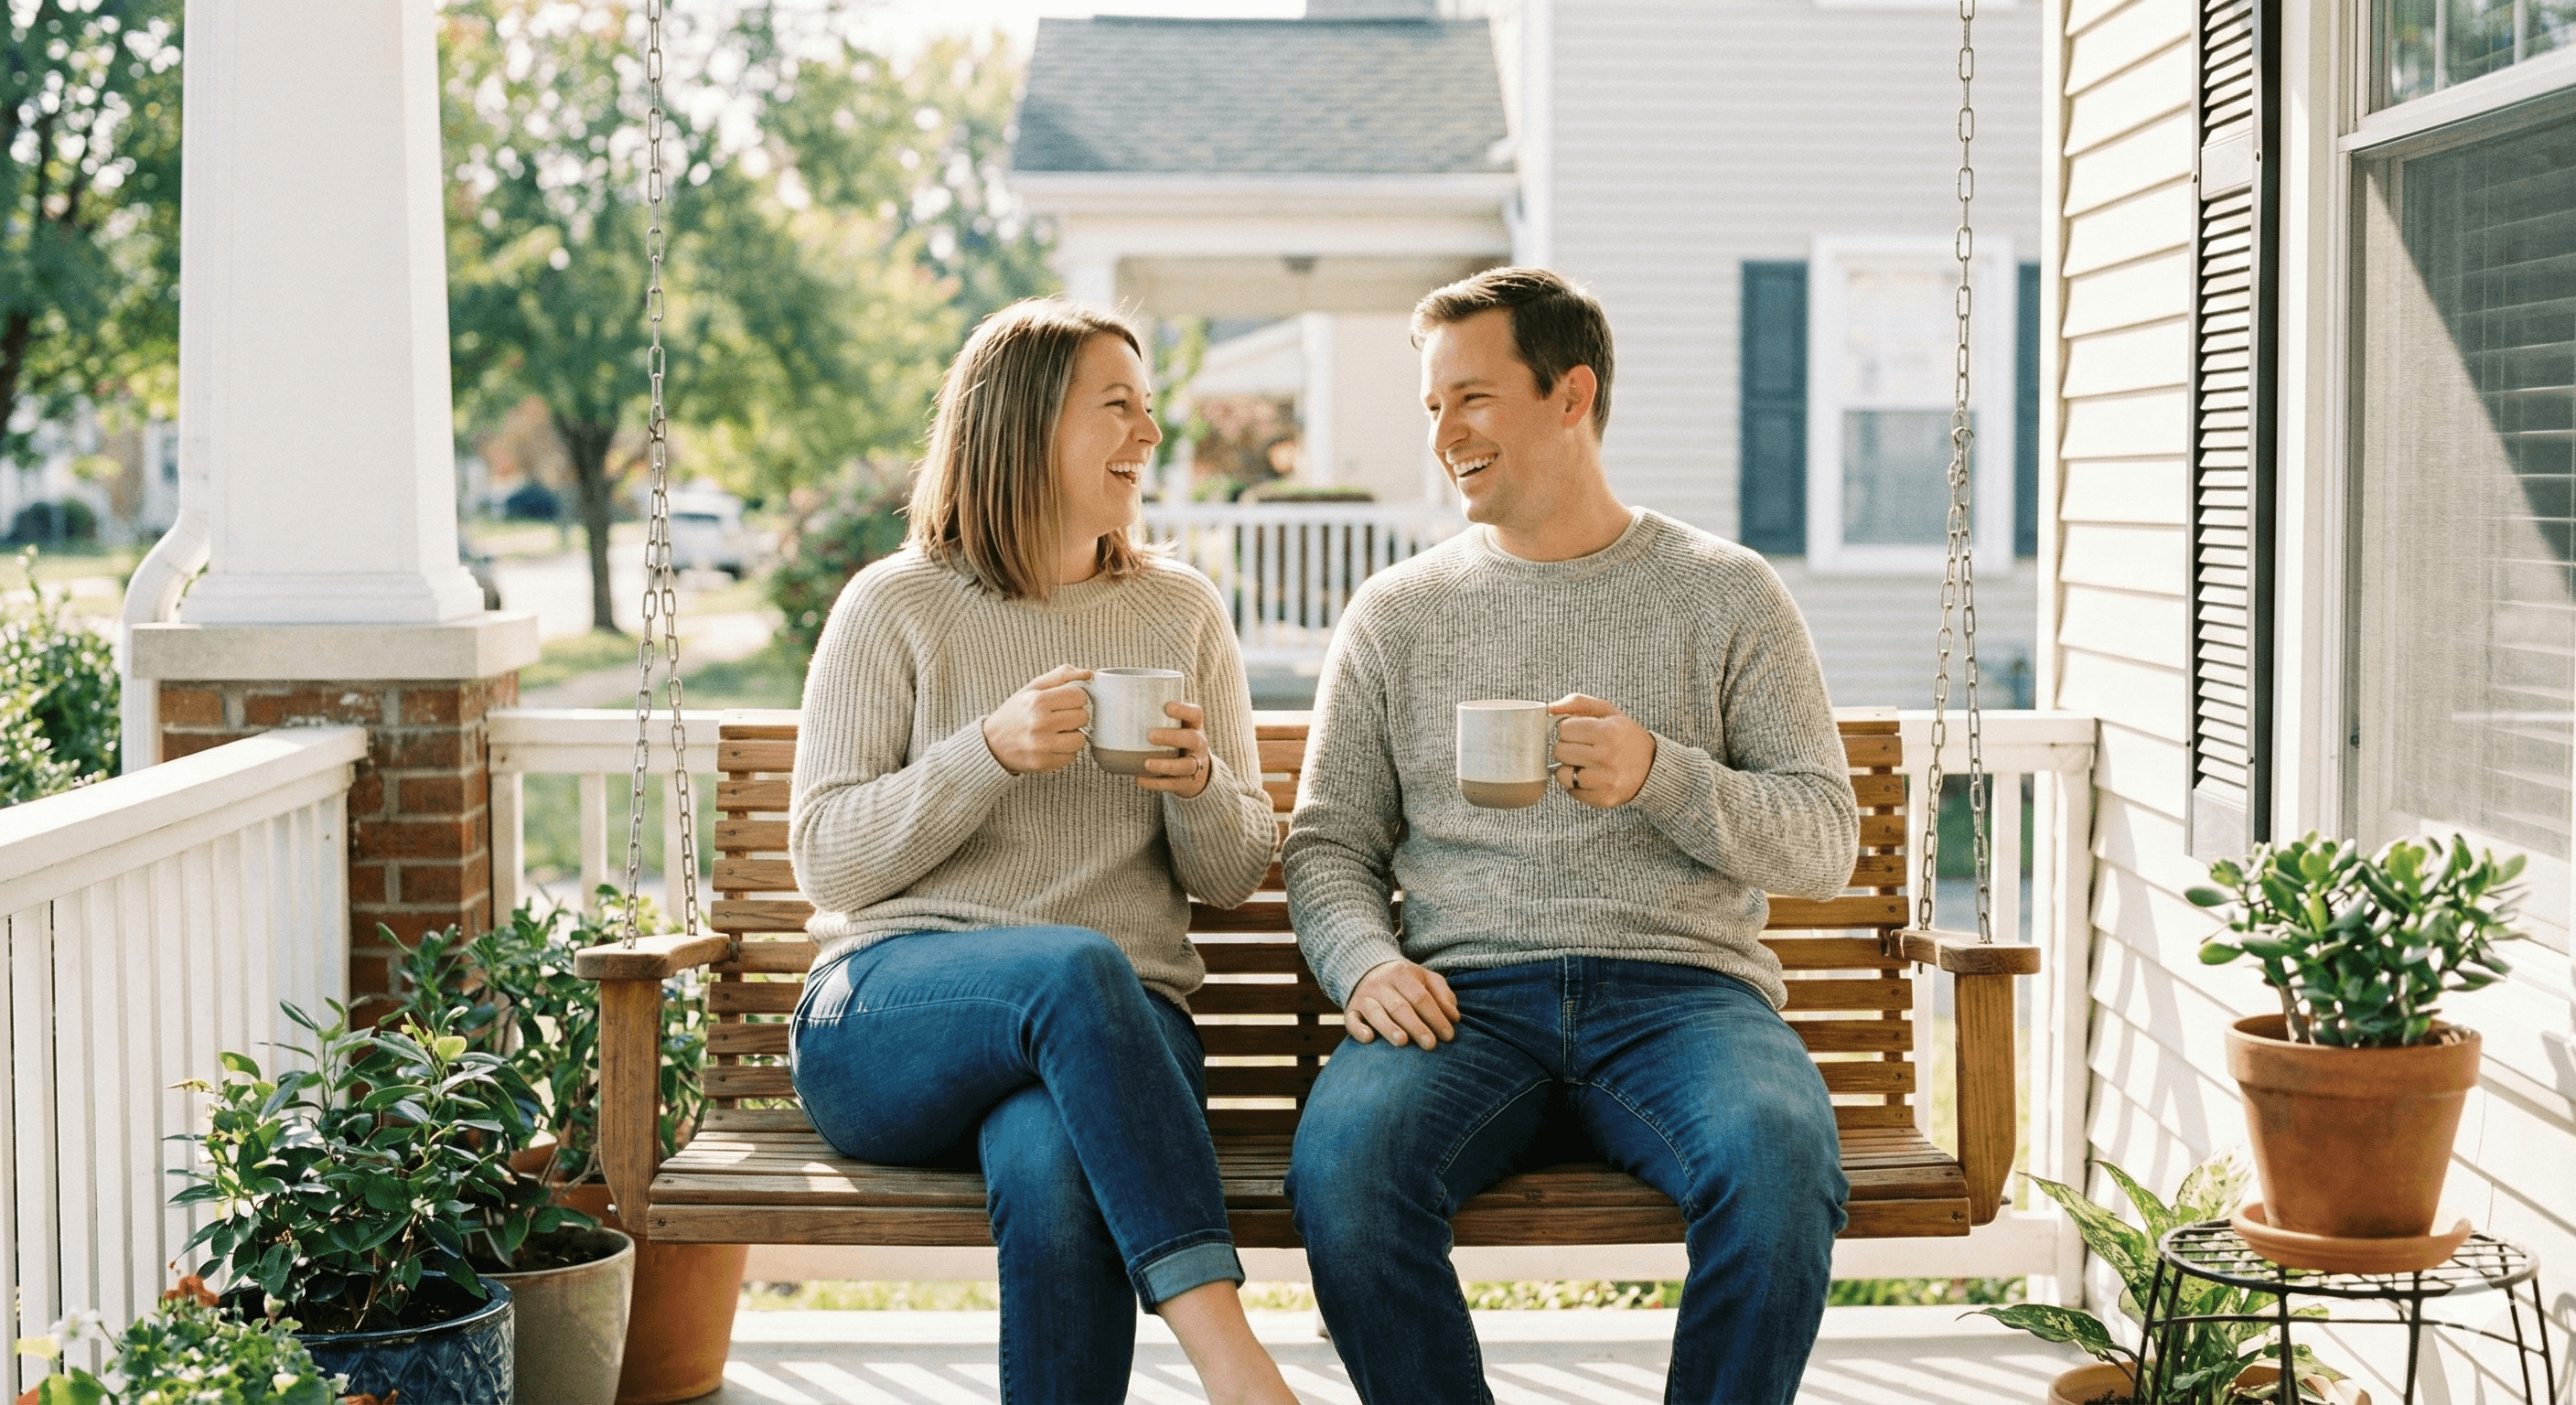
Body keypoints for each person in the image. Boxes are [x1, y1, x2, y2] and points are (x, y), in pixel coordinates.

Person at [1282, 267, 1862, 1405]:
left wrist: (1660, 775)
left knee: (1778, 1161)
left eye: (1474, 398)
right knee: (1345, 1173)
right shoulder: (1396, 613)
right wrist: (1365, 962)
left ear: (1570, 395)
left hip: (1682, 997)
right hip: (1463, 1004)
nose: (1445, 433)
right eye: (1432, 407)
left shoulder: (1724, 594)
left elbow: (1822, 840)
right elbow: (1326, 843)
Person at [787, 298, 1296, 1405]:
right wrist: (988, 753)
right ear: (1022, 426)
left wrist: (1198, 787)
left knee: (1055, 1167)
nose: (1149, 439)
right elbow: (825, 859)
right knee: (1070, 964)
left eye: (1149, 409)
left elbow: (1232, 872)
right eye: (1118, 409)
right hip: (889, 1023)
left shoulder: (1178, 612)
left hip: (1117, 1045)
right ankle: (1233, 1363)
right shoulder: (896, 606)